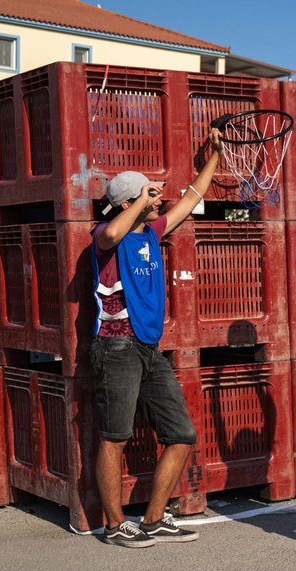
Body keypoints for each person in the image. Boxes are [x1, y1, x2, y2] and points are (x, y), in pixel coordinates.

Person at [90, 128, 222, 548]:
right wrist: (139, 202)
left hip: (148, 349)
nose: (158, 201)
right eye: (148, 196)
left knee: (181, 434)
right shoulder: (105, 235)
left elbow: (191, 198)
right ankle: (114, 526)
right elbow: (111, 233)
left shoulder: (152, 232)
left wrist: (214, 158)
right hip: (116, 347)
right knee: (115, 437)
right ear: (128, 204)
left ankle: (152, 519)